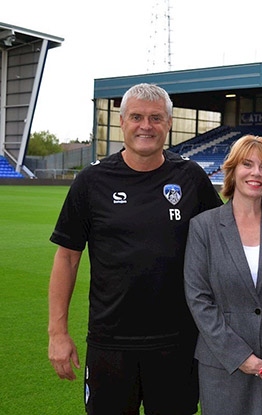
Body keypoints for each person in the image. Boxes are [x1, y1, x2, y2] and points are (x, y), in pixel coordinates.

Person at [47, 83, 223, 415]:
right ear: (122, 121)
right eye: (137, 117)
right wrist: (57, 332)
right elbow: (68, 258)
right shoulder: (91, 182)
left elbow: (228, 233)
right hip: (110, 344)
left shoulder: (191, 177)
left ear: (169, 123)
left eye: (156, 118)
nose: (146, 126)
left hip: (177, 344)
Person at [183, 134, 262, 415]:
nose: (256, 173)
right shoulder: (203, 227)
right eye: (247, 164)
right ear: (232, 170)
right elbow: (199, 299)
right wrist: (238, 355)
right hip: (223, 366)